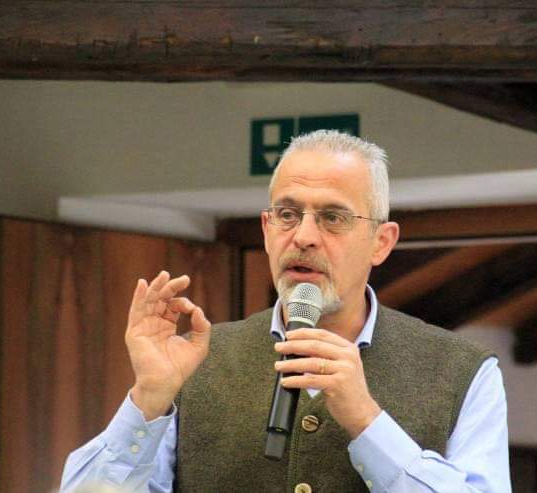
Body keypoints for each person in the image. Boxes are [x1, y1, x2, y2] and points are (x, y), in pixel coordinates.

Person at [60, 130, 511, 492]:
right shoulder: (195, 361)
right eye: (288, 214)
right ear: (266, 228)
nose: (304, 237)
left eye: (333, 217)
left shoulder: (464, 372)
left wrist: (367, 421)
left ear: (381, 242)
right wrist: (148, 398)